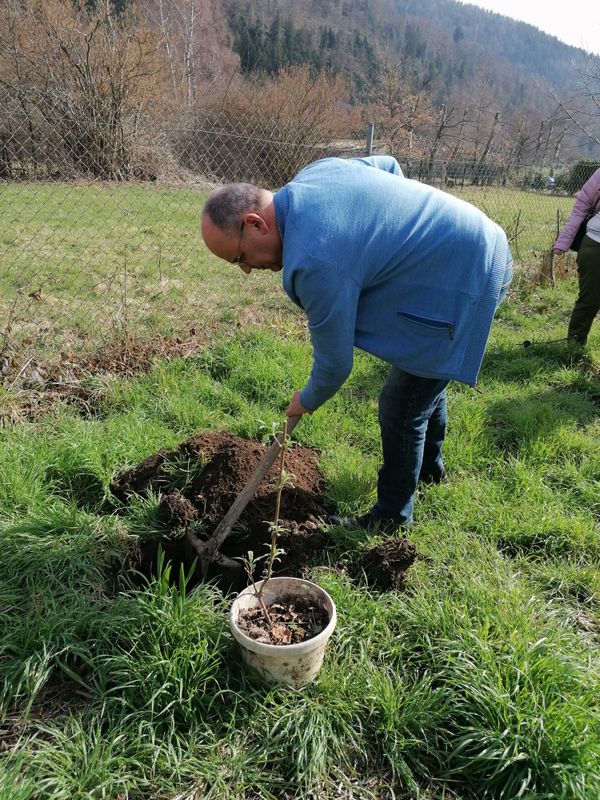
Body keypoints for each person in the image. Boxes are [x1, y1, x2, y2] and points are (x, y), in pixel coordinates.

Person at [201, 156, 513, 532]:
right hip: (476, 241)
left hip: (470, 274)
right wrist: (402, 234)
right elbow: (388, 167)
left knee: (401, 406)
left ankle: (392, 517)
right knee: (424, 367)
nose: (247, 269)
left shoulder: (312, 260)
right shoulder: (316, 174)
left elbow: (335, 364)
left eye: (240, 257)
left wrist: (307, 399)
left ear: (255, 223)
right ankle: (429, 472)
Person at [553, 166, 600, 345]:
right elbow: (582, 206)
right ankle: (574, 347)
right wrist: (564, 241)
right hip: (596, 244)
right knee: (590, 300)